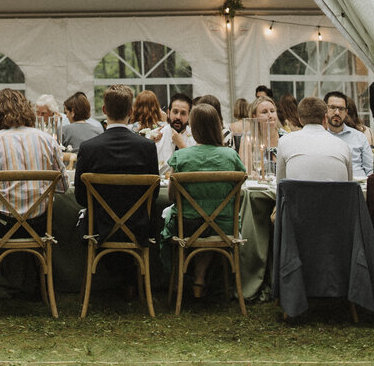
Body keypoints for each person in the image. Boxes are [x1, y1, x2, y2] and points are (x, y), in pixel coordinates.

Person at [0, 88, 68, 303]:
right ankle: (42, 285)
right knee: (49, 214)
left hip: (1, 224)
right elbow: (63, 186)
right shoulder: (47, 140)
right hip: (39, 224)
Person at [160, 103, 245, 297]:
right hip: (224, 226)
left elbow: (172, 196)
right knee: (209, 220)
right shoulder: (231, 156)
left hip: (188, 225)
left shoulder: (181, 157)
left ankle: (176, 282)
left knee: (195, 219)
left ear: (194, 128)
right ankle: (201, 280)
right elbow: (239, 189)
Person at [74, 83, 159, 259]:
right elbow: (154, 194)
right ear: (130, 112)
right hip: (138, 226)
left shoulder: (89, 148)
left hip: (99, 228)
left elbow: (81, 197)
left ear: (104, 110)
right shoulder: (147, 147)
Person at [276, 97, 353, 181]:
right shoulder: (343, 146)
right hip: (333, 194)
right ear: (325, 119)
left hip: (298, 193)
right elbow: (349, 184)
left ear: (300, 120)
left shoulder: (284, 142)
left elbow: (280, 184)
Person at [324, 92, 373, 177]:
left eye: (341, 109)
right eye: (332, 107)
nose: (337, 113)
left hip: (358, 186)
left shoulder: (359, 137)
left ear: (346, 112)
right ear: (325, 110)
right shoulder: (319, 137)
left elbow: (371, 169)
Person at [239, 96, 283, 176]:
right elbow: (245, 169)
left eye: (272, 111)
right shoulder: (248, 139)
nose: (270, 115)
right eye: (264, 112)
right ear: (254, 116)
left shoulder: (286, 137)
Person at [151, 93, 194, 169]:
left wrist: (182, 147)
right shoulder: (155, 136)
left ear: (189, 115)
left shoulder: (195, 138)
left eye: (183, 113)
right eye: (175, 112)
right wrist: (149, 144)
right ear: (168, 112)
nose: (178, 117)